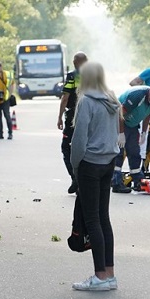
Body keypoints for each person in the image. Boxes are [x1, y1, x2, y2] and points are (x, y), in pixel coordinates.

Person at [69, 61, 121, 291]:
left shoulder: (87, 101)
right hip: (108, 162)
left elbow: (80, 138)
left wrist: (75, 165)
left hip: (90, 164)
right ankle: (109, 274)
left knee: (92, 221)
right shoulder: (112, 100)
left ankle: (99, 276)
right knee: (103, 218)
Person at [112, 86, 150, 193]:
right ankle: (116, 182)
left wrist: (144, 132)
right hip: (120, 123)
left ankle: (138, 180)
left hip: (133, 125)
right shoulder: (136, 96)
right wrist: (121, 133)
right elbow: (120, 114)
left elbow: (147, 114)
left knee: (134, 152)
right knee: (119, 153)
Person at [57, 52, 88, 194]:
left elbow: (65, 97)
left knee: (67, 147)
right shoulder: (95, 75)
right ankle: (85, 180)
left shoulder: (73, 75)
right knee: (87, 147)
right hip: (91, 115)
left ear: (75, 62)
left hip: (73, 115)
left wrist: (59, 116)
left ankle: (75, 178)